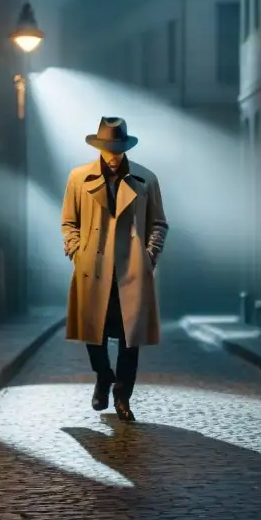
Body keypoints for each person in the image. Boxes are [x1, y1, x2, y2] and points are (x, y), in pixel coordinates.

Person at [61, 116, 168, 422]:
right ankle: (103, 377)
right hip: (93, 267)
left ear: (124, 149)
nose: (112, 156)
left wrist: (148, 256)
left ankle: (123, 395)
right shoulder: (78, 178)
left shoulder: (146, 179)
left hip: (130, 270)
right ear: (100, 147)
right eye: (108, 149)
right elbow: (69, 222)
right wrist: (76, 250)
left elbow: (158, 223)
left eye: (118, 149)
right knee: (92, 334)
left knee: (128, 337)